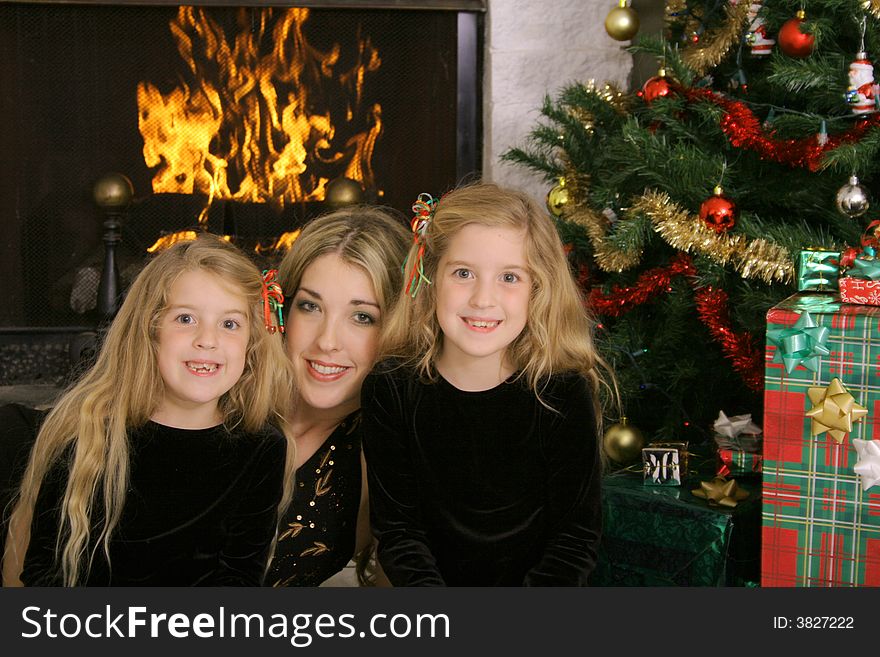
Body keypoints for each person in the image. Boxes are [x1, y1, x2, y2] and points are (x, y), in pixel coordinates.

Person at [1, 233, 295, 586]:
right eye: (186, 319)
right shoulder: (90, 431)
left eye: (229, 324)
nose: (208, 339)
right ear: (149, 330)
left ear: (251, 345)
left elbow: (239, 578)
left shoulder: (261, 447)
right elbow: (44, 572)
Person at [361, 182, 616, 586]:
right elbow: (399, 533)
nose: (483, 299)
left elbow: (575, 540)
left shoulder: (561, 391)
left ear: (538, 288)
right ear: (430, 277)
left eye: (509, 277)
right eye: (463, 273)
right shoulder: (391, 387)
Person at [267, 206, 409, 587]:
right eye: (310, 306)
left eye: (363, 317)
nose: (327, 342)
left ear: (397, 328)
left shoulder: (383, 453)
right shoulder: (224, 394)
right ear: (283, 310)